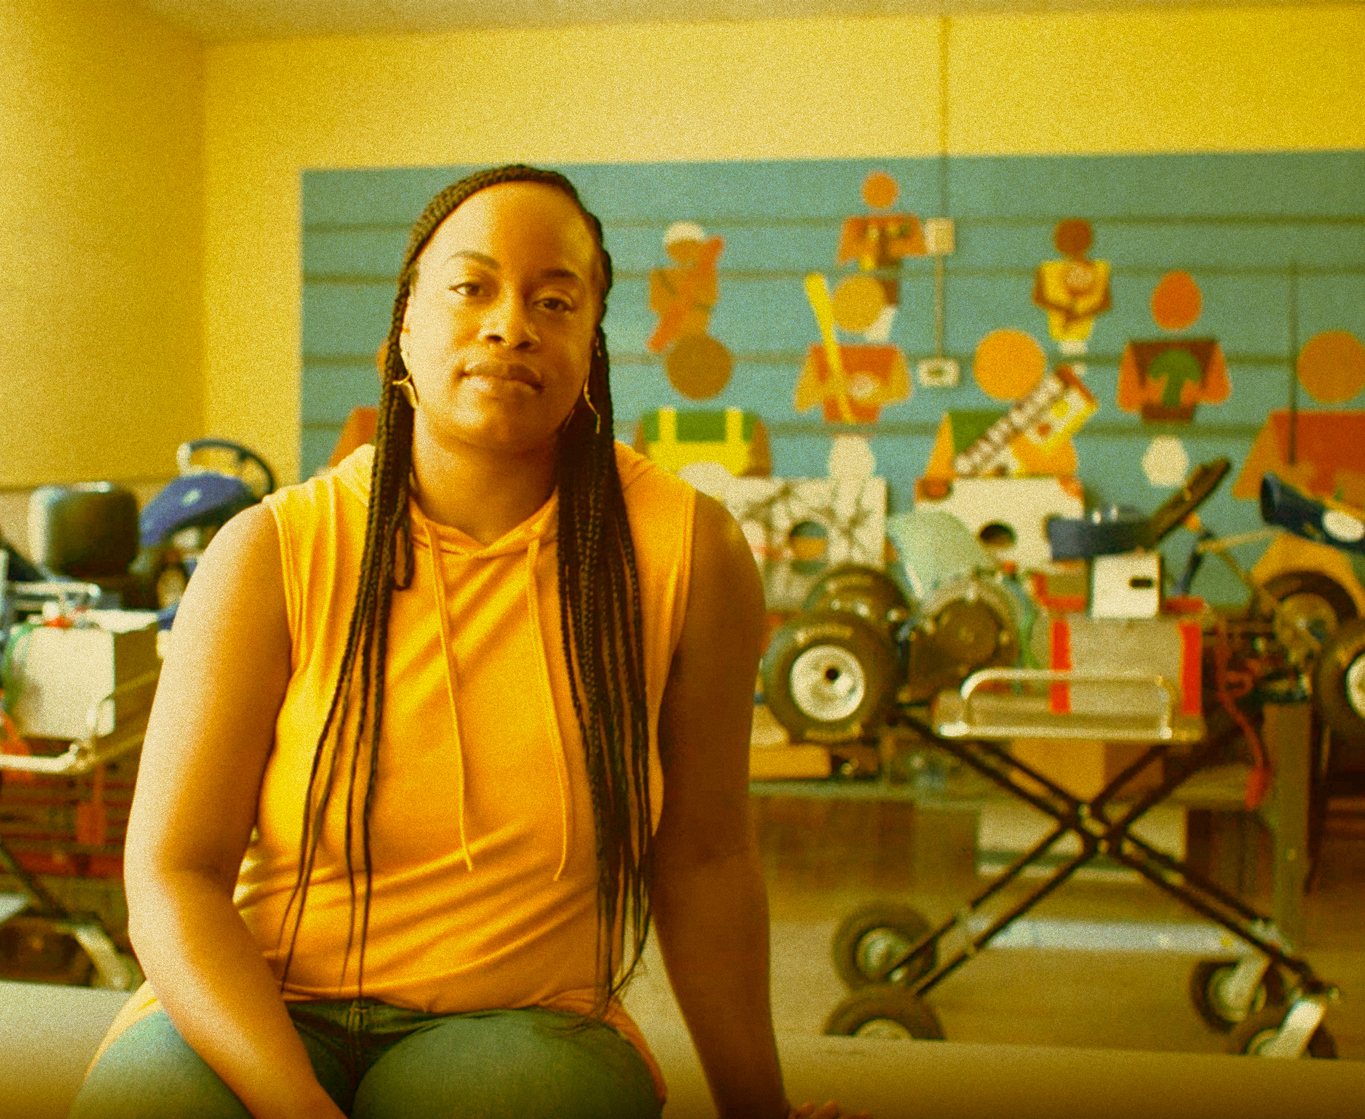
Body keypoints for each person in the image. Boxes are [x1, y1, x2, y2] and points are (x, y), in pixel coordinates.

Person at [71, 165, 858, 1119]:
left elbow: (705, 860)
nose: (511, 323)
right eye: (471, 286)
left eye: (556, 299)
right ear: (405, 324)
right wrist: (295, 1107)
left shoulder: (689, 550)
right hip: (262, 1002)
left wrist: (758, 1113)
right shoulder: (272, 550)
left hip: (519, 1026)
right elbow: (172, 873)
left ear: (591, 344)